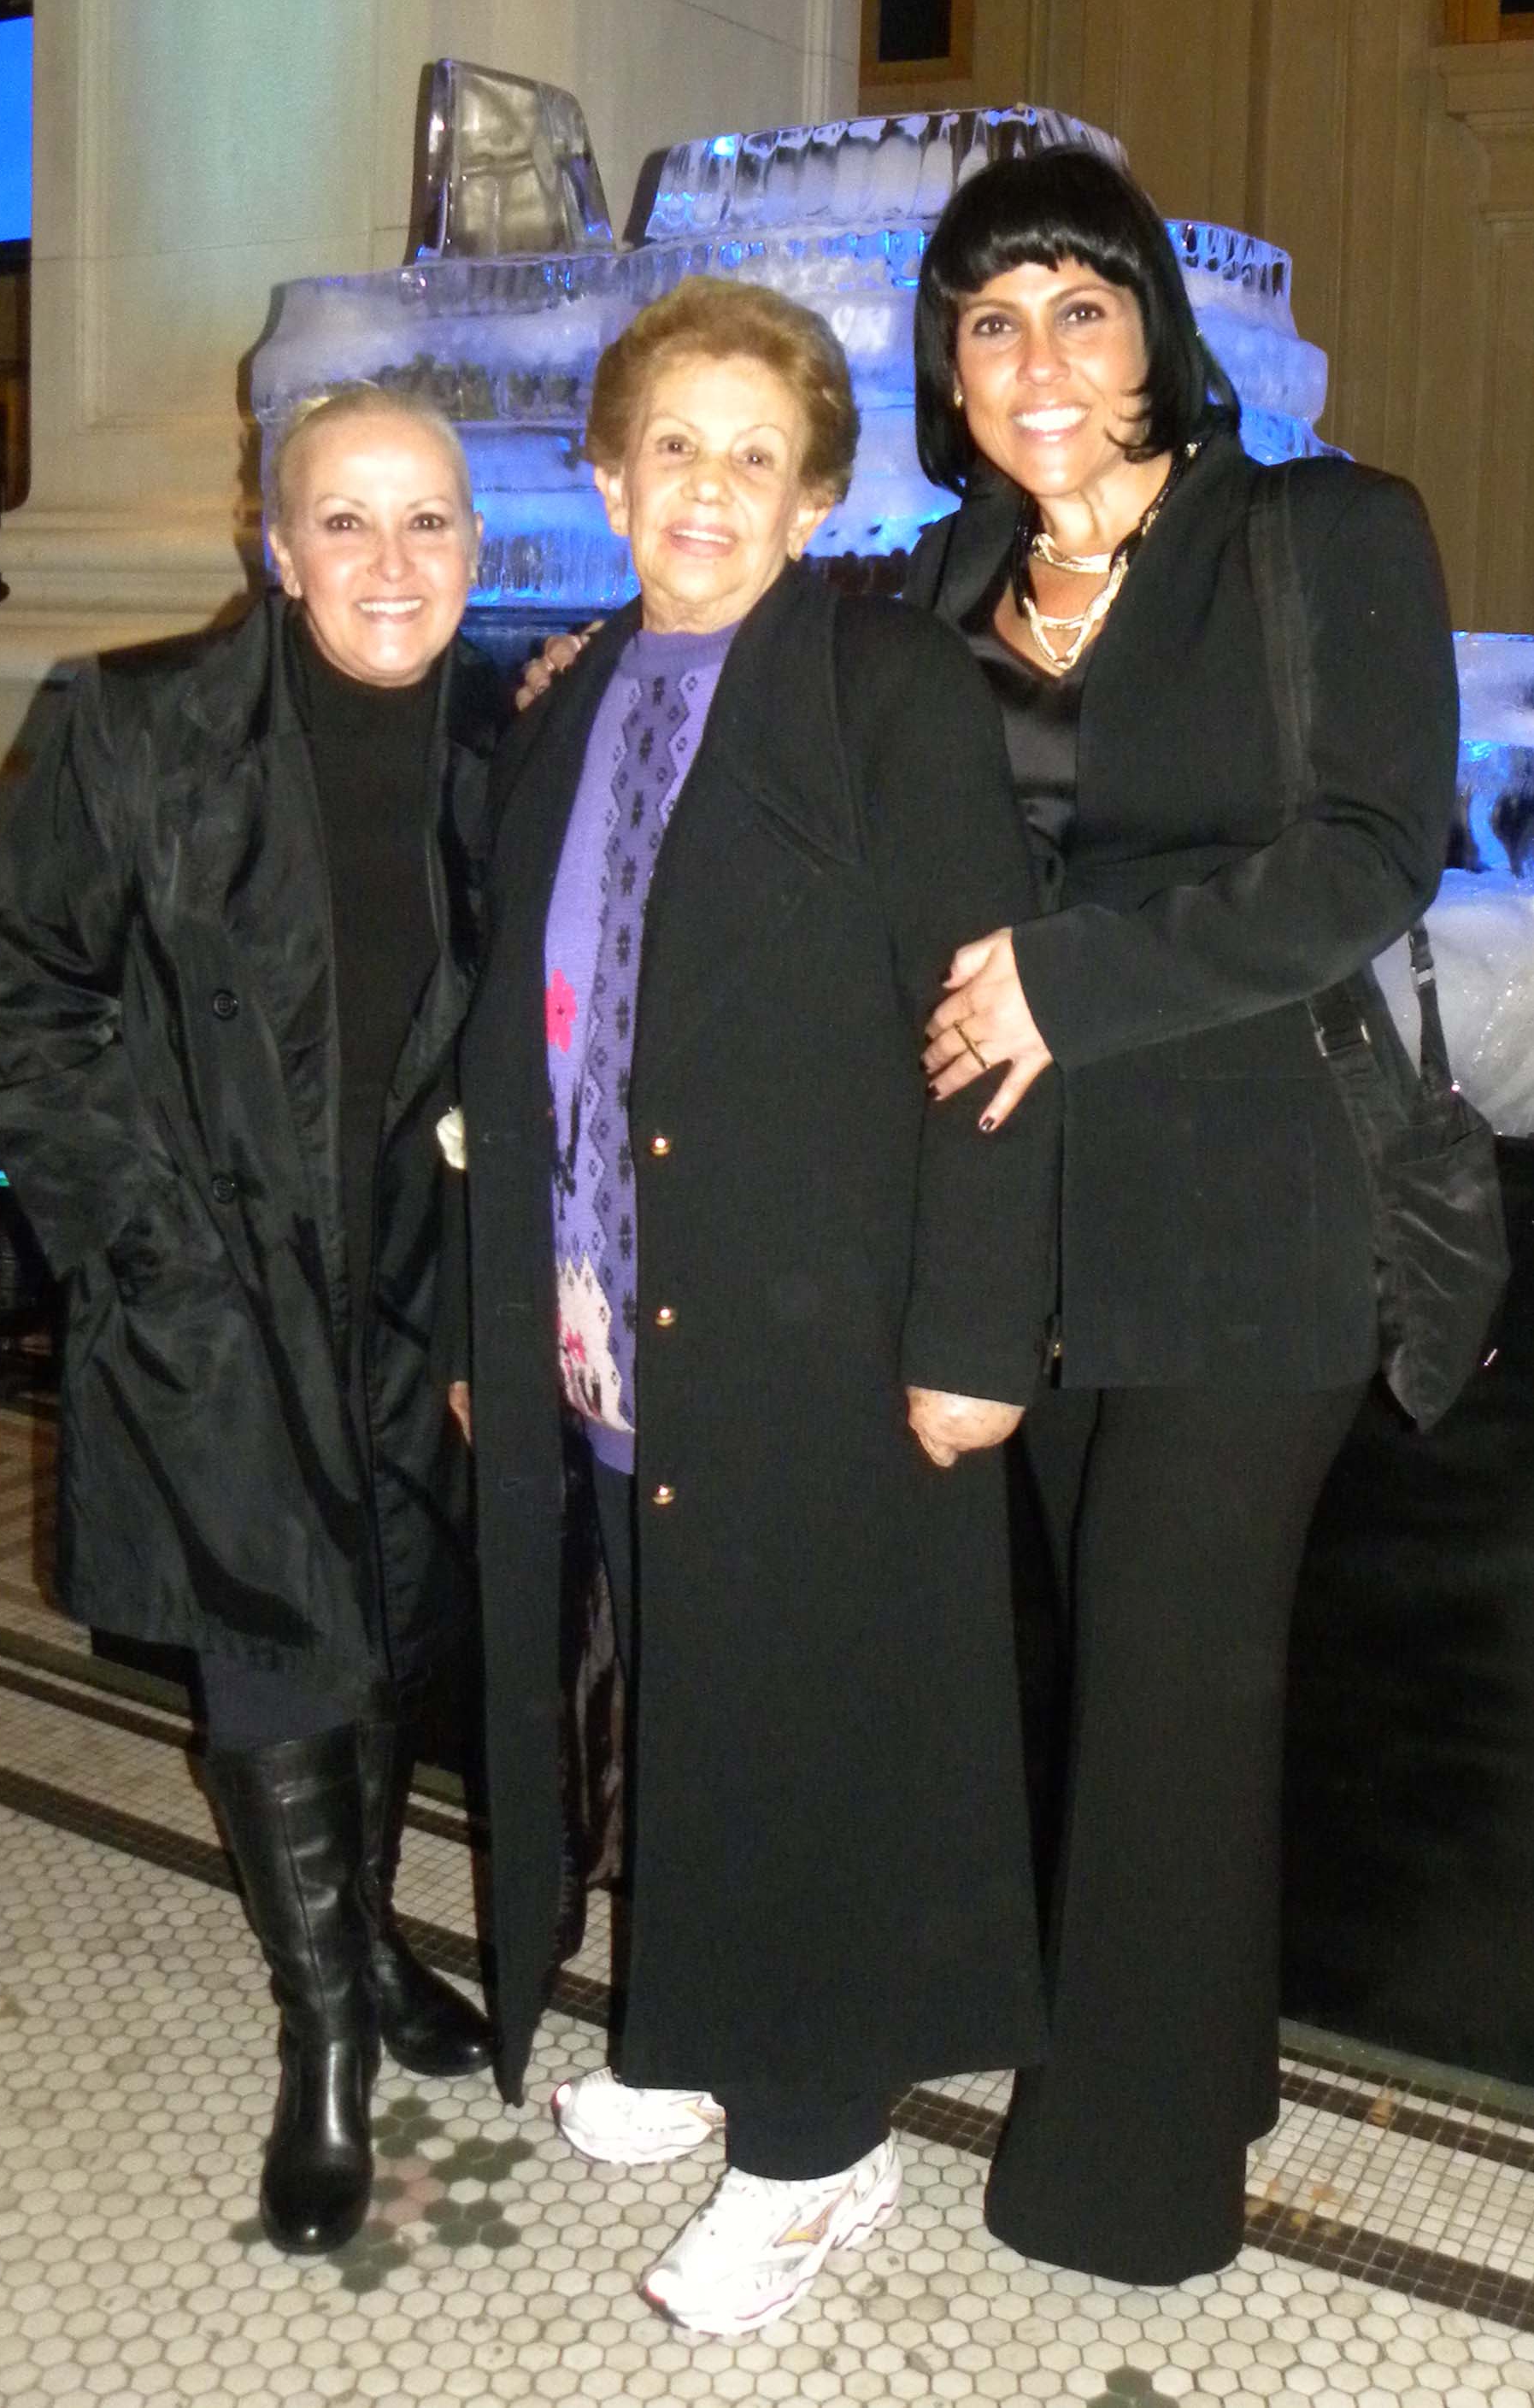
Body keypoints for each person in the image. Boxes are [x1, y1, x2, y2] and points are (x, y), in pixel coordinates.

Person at [446, 275, 1060, 2336]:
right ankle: (700, 2022)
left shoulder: (885, 685)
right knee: (689, 1692)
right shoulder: (576, 695)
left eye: (754, 457)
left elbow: (987, 1020)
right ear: (609, 476)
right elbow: (530, 1024)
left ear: (813, 501)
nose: (707, 488)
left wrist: (977, 1329)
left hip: (822, 1314)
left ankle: (813, 2145)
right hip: (624, 1311)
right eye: (673, 447)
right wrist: (504, 1317)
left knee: (804, 1718)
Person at [904, 147, 1460, 2284]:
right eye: (992, 320)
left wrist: (1075, 980)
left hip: (1261, 1204)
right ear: (952, 371)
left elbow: (1372, 852)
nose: (1039, 358)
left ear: (1155, 328)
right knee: (1155, 1680)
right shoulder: (943, 587)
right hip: (1038, 1220)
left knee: (1163, 1678)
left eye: (1082, 305)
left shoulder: (1323, 531)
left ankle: (1120, 2192)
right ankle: (1206, 2060)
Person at [0, 384, 504, 2256]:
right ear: (273, 545)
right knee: (270, 1637)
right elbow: (15, 997)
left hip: (423, 1281)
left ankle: (374, 1941)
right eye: (343, 520)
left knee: (388, 1625)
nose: (387, 560)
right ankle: (327, 2027)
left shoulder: (513, 736)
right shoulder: (133, 724)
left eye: (427, 521)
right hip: (210, 1277)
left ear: (478, 548)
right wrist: (144, 1246)